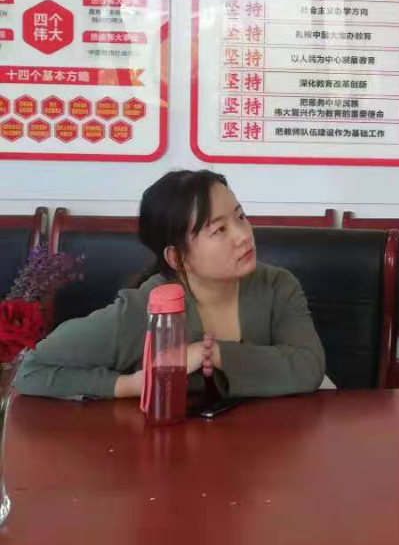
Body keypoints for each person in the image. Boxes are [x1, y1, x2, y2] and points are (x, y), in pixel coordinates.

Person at [16, 169, 326, 400]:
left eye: (240, 217)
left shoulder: (277, 286)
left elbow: (309, 367)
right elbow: (32, 370)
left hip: (265, 451)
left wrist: (211, 353)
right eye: (219, 230)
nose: (243, 235)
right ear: (177, 257)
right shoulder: (142, 310)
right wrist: (129, 385)